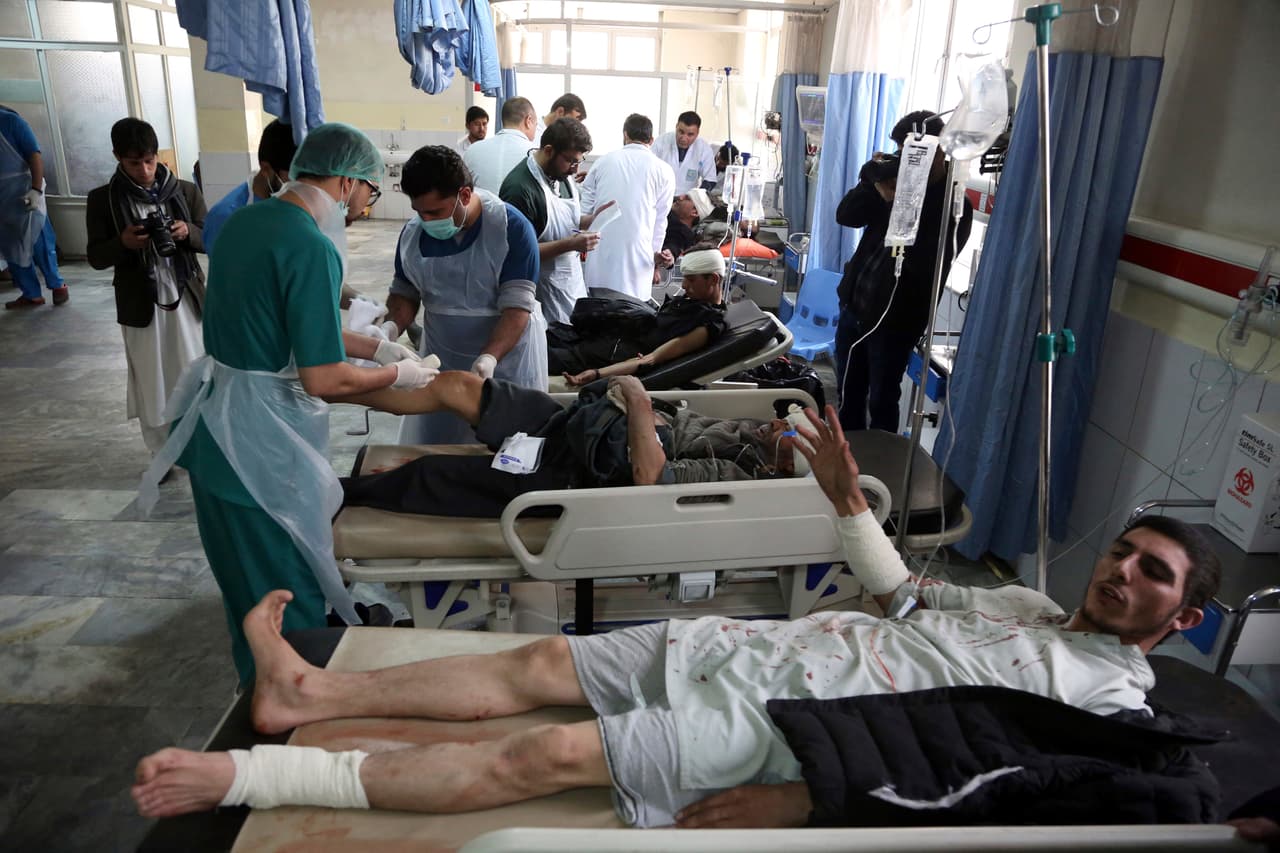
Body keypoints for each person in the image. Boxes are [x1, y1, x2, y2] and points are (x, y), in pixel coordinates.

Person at [130, 404, 1222, 828]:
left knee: (537, 754)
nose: (1122, 574)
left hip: (789, 726)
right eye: (1125, 552)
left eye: (1153, 576)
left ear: (1181, 622)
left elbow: (967, 775)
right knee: (534, 662)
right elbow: (905, 598)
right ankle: (311, 690)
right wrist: (846, 503)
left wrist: (800, 798)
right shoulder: (1030, 603)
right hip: (753, 646)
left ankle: (258, 776)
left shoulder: (1102, 706)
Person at [136, 122, 440, 684]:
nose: (364, 208)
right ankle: (291, 709)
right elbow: (322, 376)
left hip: (215, 428)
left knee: (246, 587)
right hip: (259, 443)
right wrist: (398, 373)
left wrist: (376, 344)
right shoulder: (309, 245)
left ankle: (265, 687)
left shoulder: (247, 222)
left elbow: (295, 326)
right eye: (370, 193)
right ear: (348, 182)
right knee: (283, 587)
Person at [339, 369, 797, 518]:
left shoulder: (740, 475)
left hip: (574, 475)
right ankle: (333, 384)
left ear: (786, 468)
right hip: (577, 427)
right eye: (787, 421)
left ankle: (340, 494)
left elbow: (651, 477)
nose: (777, 425)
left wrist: (637, 398)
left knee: (429, 475)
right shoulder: (748, 434)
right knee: (459, 384)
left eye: (789, 433)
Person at [384, 145, 544, 445]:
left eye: (435, 211)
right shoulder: (412, 236)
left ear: (465, 195)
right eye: (419, 212)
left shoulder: (509, 229)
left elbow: (517, 310)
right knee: (440, 442)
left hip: (505, 361)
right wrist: (389, 328)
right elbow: (405, 294)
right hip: (442, 355)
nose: (427, 221)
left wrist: (488, 358)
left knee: (504, 448)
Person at [834, 109, 973, 433]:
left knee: (881, 401)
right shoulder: (894, 182)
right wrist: (873, 181)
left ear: (938, 150)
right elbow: (846, 215)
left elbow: (924, 264)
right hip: (855, 308)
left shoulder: (954, 202)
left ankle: (879, 473)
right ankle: (846, 460)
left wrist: (896, 202)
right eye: (902, 152)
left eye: (914, 151)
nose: (908, 159)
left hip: (895, 323)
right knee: (847, 394)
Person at [86, 118, 206, 456]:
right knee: (151, 376)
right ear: (117, 158)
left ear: (159, 156)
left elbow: (210, 237)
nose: (144, 170)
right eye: (134, 163)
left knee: (193, 369)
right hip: (140, 301)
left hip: (186, 296)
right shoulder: (103, 200)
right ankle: (161, 452)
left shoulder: (184, 191)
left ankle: (198, 445)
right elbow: (95, 256)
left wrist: (187, 233)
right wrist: (123, 242)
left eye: (150, 160)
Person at [553, 246, 728, 381]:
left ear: (713, 279)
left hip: (602, 357)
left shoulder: (707, 325)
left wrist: (596, 374)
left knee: (536, 355)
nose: (683, 286)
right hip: (598, 340)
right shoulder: (691, 303)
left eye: (690, 280)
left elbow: (650, 359)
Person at [499, 117, 610, 325]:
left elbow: (567, 220)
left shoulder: (560, 175)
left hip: (571, 284)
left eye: (579, 161)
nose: (575, 169)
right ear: (549, 150)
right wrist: (571, 244)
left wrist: (593, 219)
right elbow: (518, 254)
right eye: (571, 161)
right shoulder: (520, 190)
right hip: (541, 296)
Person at [579, 113, 675, 301]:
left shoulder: (603, 162)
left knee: (597, 313)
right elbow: (660, 221)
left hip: (600, 256)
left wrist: (579, 242)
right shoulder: (664, 171)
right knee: (632, 315)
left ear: (625, 135)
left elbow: (584, 211)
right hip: (639, 259)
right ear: (651, 140)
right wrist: (655, 257)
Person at [0, 104, 66, 309]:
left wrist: (36, 190)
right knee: (11, 245)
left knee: (39, 238)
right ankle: (31, 294)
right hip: (2, 199)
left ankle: (57, 285)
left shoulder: (12, 122)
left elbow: (34, 155)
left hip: (24, 191)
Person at [202, 119, 298, 255]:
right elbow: (227, 273)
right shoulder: (225, 218)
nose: (302, 187)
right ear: (266, 169)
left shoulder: (298, 206)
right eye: (295, 178)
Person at [463, 96, 537, 194]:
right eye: (535, 124)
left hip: (482, 209)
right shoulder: (535, 154)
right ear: (528, 121)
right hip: (521, 209)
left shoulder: (471, 151)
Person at [651, 110, 717, 195]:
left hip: (687, 199)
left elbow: (710, 179)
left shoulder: (704, 148)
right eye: (681, 132)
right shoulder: (662, 141)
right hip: (660, 196)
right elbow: (649, 169)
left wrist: (694, 199)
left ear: (697, 133)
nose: (684, 138)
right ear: (676, 127)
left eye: (690, 134)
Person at [663, 192, 700, 259]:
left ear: (695, 212)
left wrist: (670, 252)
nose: (680, 197)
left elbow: (674, 244)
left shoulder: (681, 233)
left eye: (687, 198)